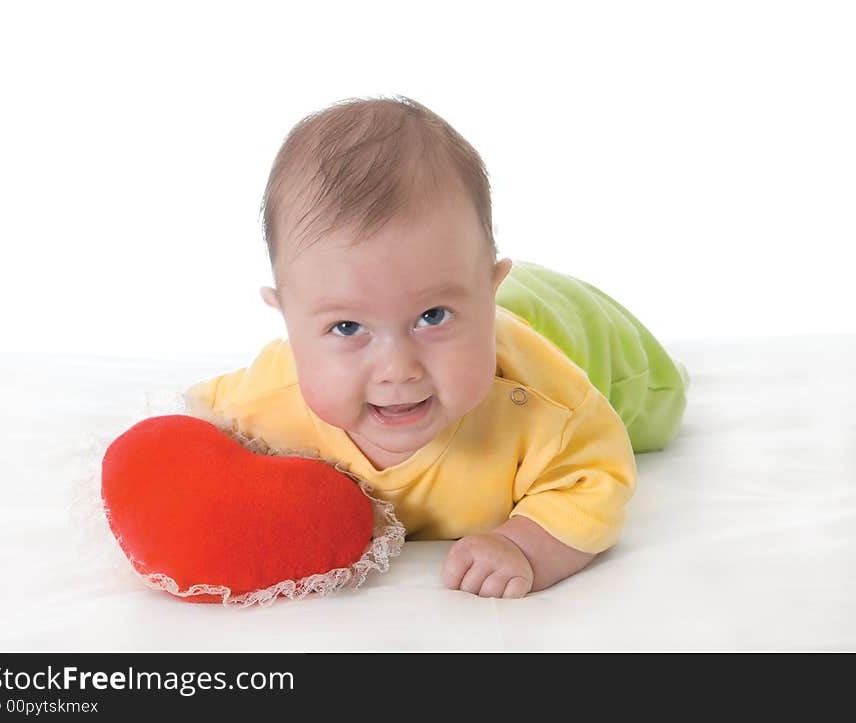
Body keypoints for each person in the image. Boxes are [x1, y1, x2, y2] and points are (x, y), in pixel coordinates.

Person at [185, 95, 688, 599]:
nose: (397, 369)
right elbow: (192, 428)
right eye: (346, 328)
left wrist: (527, 545)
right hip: (480, 300)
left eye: (431, 317)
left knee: (659, 409)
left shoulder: (545, 407)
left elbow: (597, 476)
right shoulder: (265, 398)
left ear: (488, 290)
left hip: (574, 330)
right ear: (288, 321)